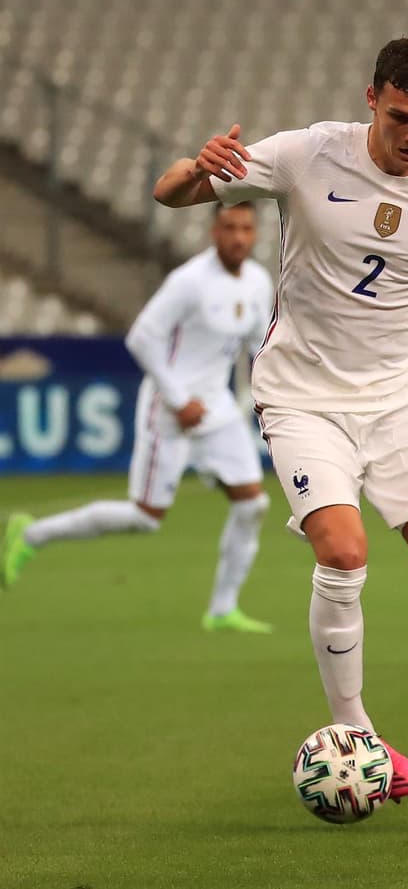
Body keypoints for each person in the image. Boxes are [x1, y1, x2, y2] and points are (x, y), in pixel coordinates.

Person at [151, 36, 408, 813]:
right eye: (400, 116)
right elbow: (169, 193)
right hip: (301, 395)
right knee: (342, 546)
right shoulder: (306, 155)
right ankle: (357, 734)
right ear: (372, 99)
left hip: (399, 397)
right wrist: (198, 168)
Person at [2, 203, 275, 635]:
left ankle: (222, 609)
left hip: (217, 407)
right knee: (145, 517)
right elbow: (142, 338)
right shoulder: (189, 282)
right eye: (229, 228)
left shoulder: (259, 282)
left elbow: (261, 342)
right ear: (213, 230)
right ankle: (31, 534)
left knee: (252, 504)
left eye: (246, 228)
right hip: (169, 408)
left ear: (256, 232)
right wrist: (178, 398)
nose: (238, 237)